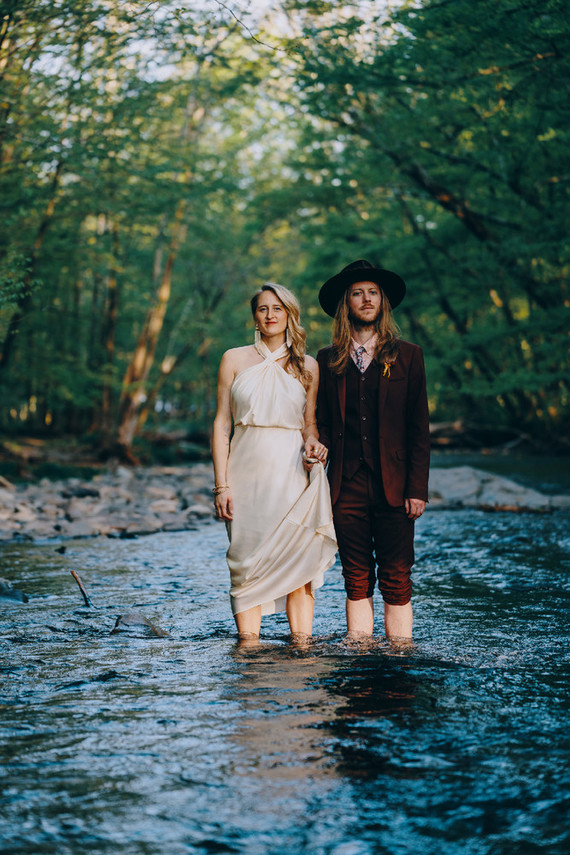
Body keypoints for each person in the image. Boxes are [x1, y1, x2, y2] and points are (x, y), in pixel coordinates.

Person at [212, 282, 337, 640]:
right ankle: (248, 653)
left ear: (289, 315)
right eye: (263, 308)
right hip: (245, 472)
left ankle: (302, 647)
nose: (270, 315)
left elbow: (308, 424)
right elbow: (222, 424)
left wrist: (314, 444)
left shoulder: (308, 365)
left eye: (278, 308)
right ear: (255, 315)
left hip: (292, 474)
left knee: (299, 565)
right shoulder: (232, 359)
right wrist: (221, 485)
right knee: (245, 563)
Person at [314, 259, 430, 641]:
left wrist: (417, 489)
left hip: (396, 485)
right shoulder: (326, 358)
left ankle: (399, 655)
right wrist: (317, 446)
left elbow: (418, 427)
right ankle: (360, 656)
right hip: (345, 485)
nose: (366, 299)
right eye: (357, 293)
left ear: (382, 302)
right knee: (356, 575)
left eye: (373, 293)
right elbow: (324, 423)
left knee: (397, 575)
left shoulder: (409, 355)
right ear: (346, 303)